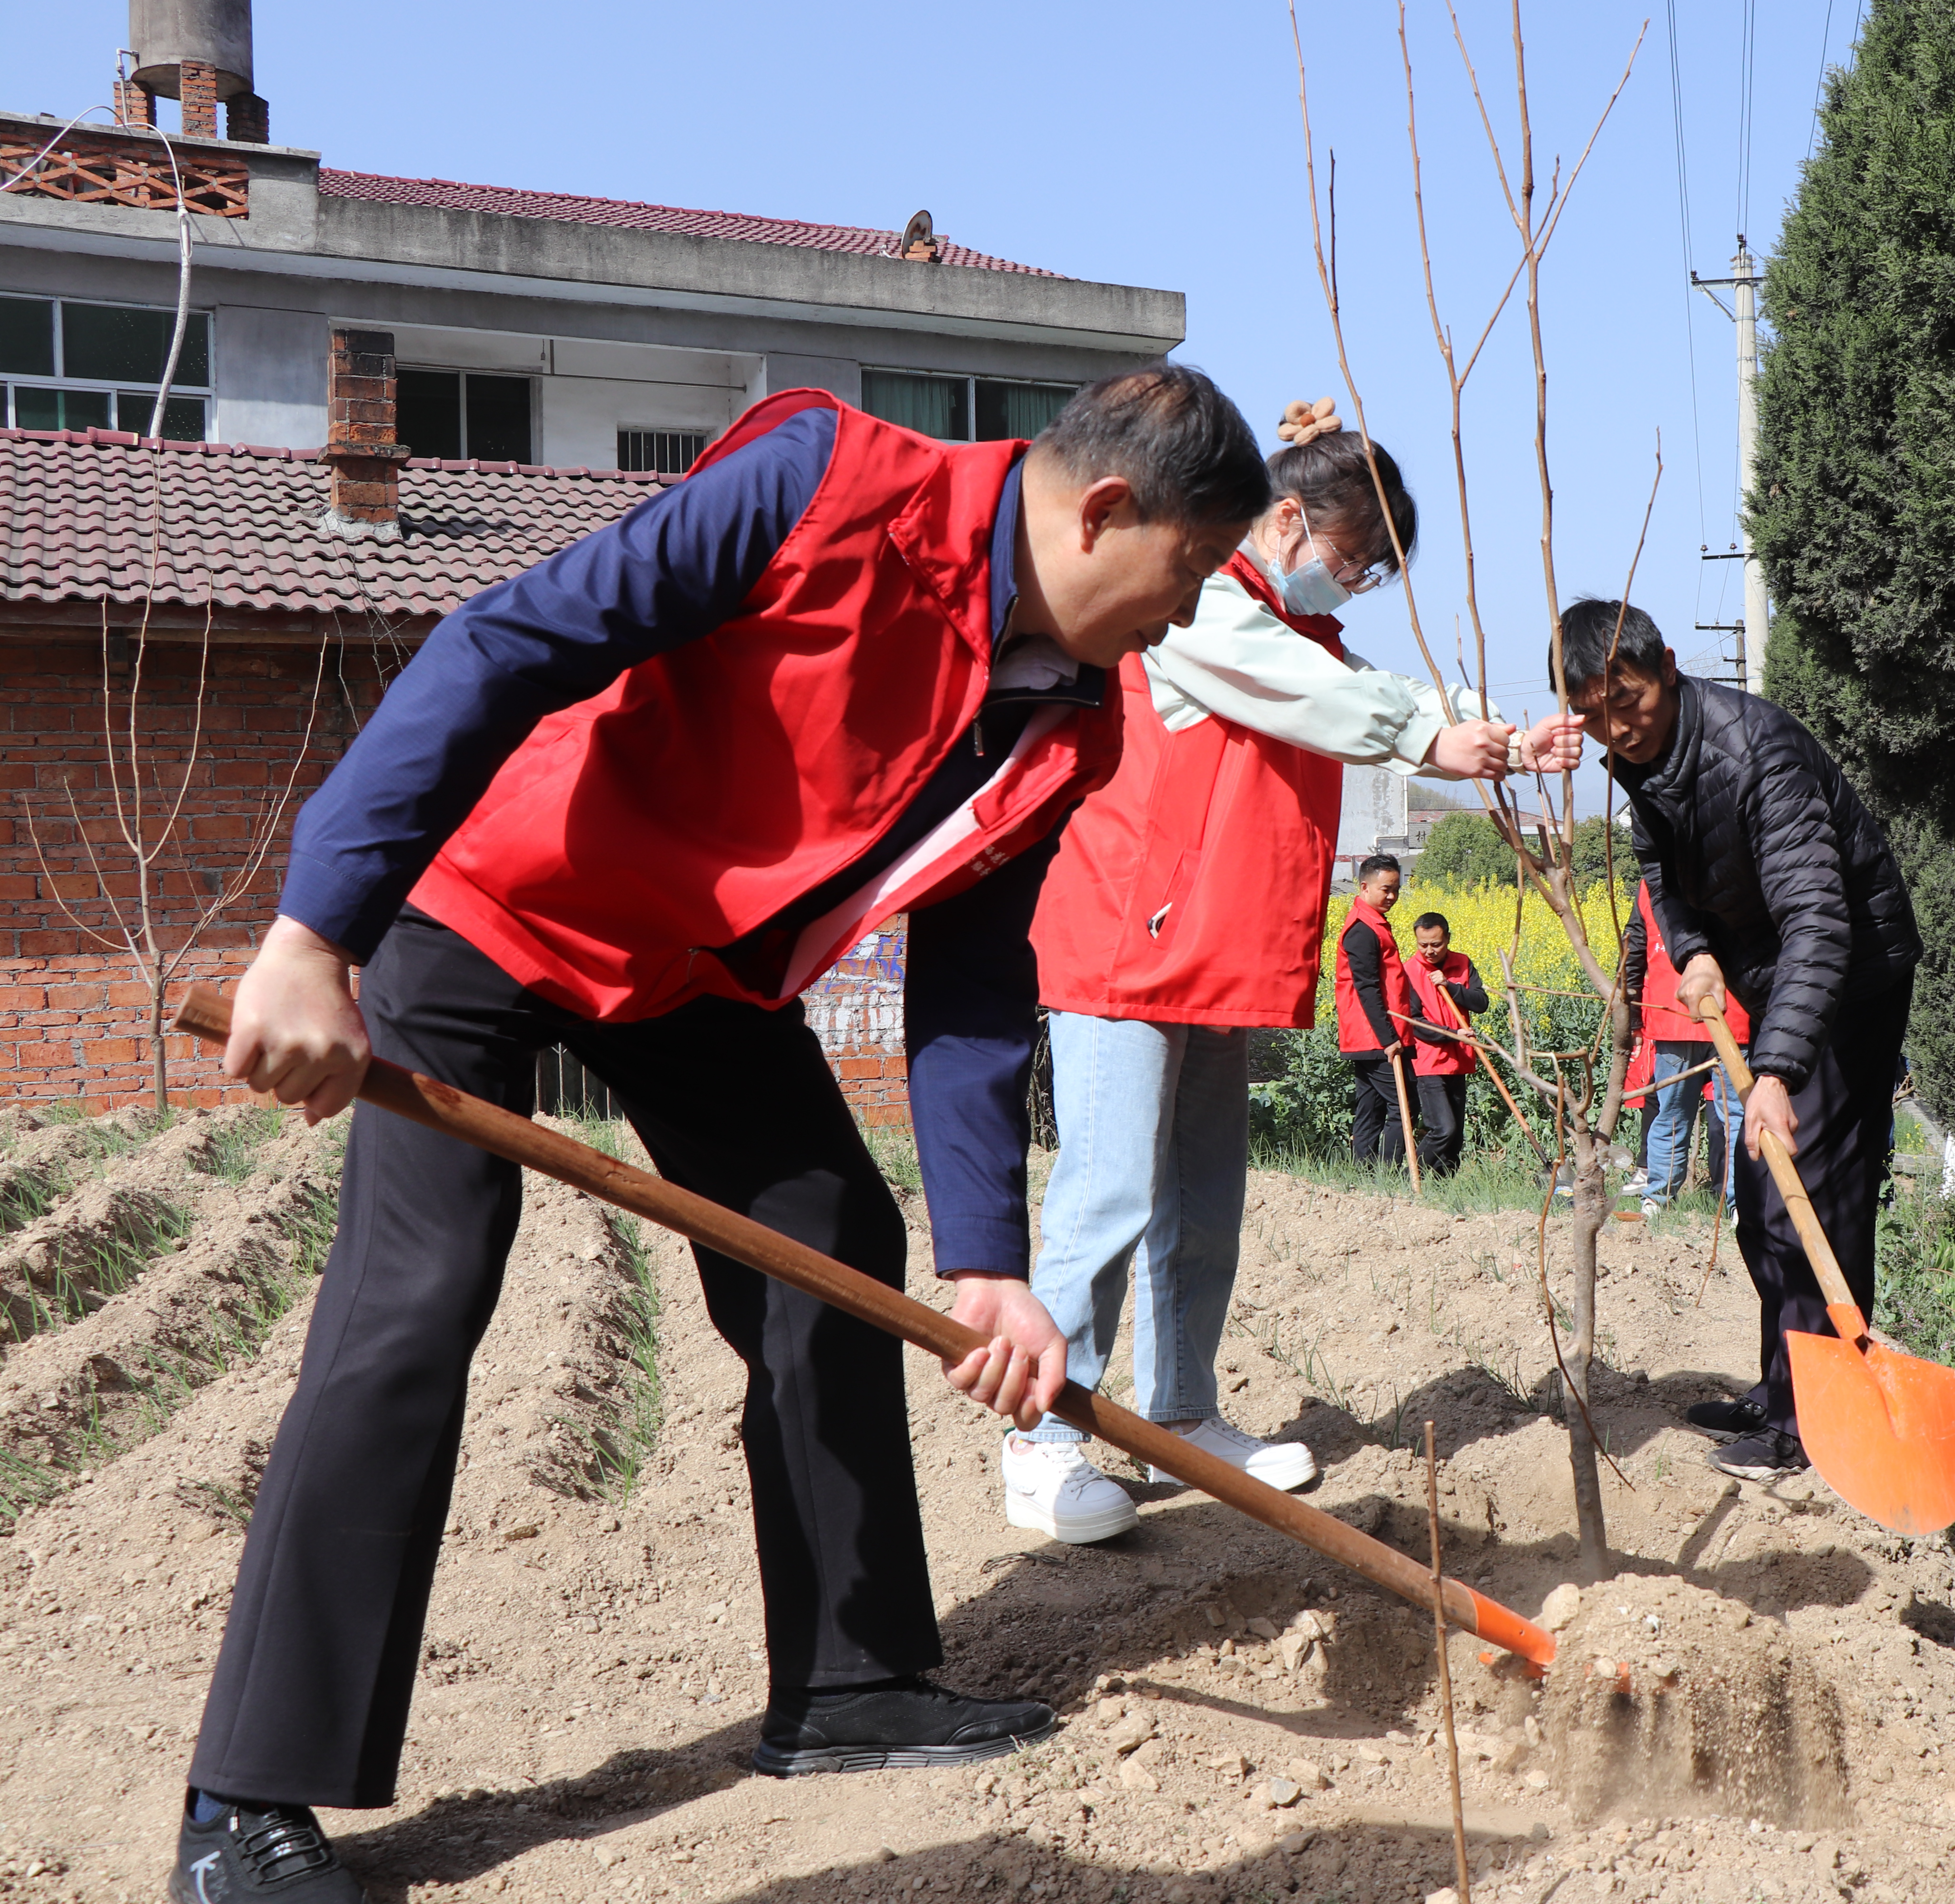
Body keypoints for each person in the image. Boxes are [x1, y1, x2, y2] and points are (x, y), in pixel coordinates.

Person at [174, 367, 1267, 1904]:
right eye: (1195, 571)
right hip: (496, 900)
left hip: (689, 966)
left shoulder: (1069, 720)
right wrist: (316, 933)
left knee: (830, 1238)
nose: (1188, 615)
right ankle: (246, 1804)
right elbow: (510, 642)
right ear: (1106, 512)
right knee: (418, 1296)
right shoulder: (823, 482)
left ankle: (850, 1686)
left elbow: (968, 984)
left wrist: (991, 1261)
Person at [1013, 409, 1581, 1543]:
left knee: (1204, 1199)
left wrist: (1499, 735)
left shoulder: (1296, 628)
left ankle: (1180, 1414)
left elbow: (1386, 688)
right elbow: (1312, 696)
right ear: (1286, 519)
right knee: (1110, 1190)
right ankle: (1044, 1438)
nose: (1351, 584)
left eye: (1368, 574)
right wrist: (1428, 744)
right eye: (1353, 558)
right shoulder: (1204, 603)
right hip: (1130, 940)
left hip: (1208, 954)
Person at [1561, 599, 1919, 1482]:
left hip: (1848, 979)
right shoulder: (1643, 759)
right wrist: (1698, 952)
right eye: (1593, 714)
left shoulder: (1757, 753)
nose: (1616, 728)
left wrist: (1777, 1071)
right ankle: (1781, 1387)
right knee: (1763, 1200)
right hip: (1774, 977)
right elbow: (1661, 871)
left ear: (1670, 669)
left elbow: (1820, 920)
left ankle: (1810, 1427)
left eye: (1629, 702)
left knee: (1811, 1201)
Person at [1620, 875, 1746, 1219]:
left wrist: (1633, 1017)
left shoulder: (1652, 883)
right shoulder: (1738, 867)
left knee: (1672, 1115)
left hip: (1675, 1015)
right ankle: (1740, 1206)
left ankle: (1657, 1201)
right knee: (1737, 1118)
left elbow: (1632, 952)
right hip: (1731, 1015)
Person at [1337, 854, 1418, 1170]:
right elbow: (1366, 988)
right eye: (1386, 889)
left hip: (1369, 1034)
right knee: (1404, 1106)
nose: (1392, 897)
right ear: (1364, 886)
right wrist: (1389, 1038)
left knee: (1370, 1107)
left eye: (1396, 889)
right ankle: (1390, 1174)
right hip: (1374, 1034)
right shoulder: (1362, 930)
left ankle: (1366, 1177)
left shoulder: (1372, 923)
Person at [1405, 910, 1489, 1175]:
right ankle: (1410, 1176)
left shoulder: (1463, 963)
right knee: (1443, 1129)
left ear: (1448, 939)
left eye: (1436, 945)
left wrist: (1451, 987)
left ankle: (1445, 1188)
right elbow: (1414, 1022)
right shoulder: (1410, 971)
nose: (1429, 951)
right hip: (1428, 1061)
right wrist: (1451, 1034)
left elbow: (1481, 1003)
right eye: (1423, 945)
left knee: (1455, 1139)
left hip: (1460, 1059)